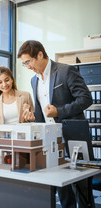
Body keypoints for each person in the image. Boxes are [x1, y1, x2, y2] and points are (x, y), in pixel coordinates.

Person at [17, 40, 94, 208]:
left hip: (74, 135)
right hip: (51, 140)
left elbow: (86, 99)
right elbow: (41, 113)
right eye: (24, 64)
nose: (28, 66)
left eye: (28, 62)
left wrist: (59, 111)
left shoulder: (66, 71)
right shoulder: (34, 80)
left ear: (39, 54)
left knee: (82, 187)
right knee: (60, 185)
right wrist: (32, 117)